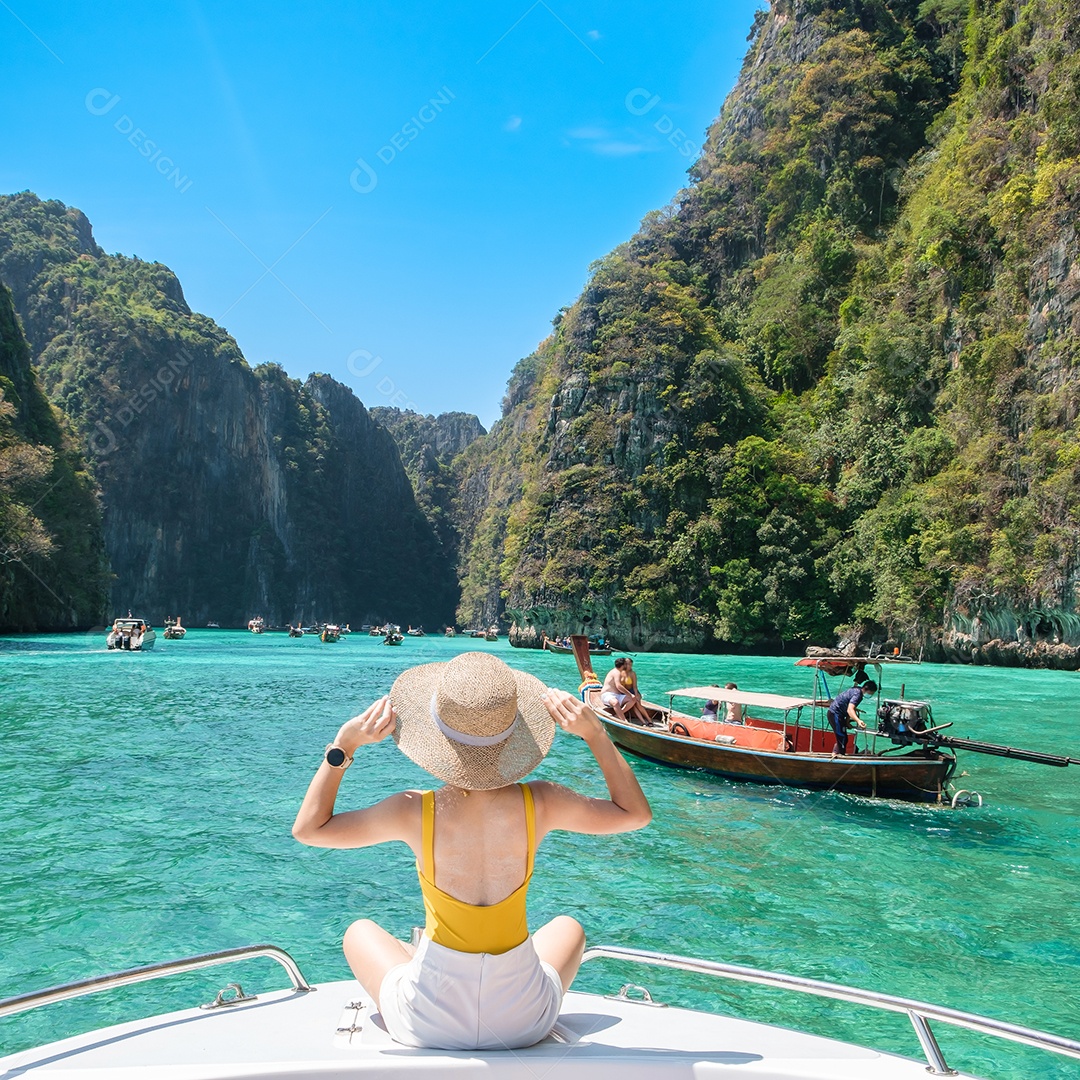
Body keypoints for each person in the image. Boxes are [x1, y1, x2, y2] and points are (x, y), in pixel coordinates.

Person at [292, 651, 651, 1052]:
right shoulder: (543, 803)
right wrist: (597, 735)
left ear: (434, 736)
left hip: (427, 1022)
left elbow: (310, 829)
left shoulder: (414, 811)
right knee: (569, 927)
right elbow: (634, 814)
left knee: (359, 932)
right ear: (515, 733)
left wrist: (345, 745)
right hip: (523, 1022)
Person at [826, 680, 877, 755]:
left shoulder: (856, 690)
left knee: (843, 738)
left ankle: (837, 754)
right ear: (867, 690)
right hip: (835, 714)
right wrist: (858, 721)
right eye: (871, 693)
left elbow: (849, 708)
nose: (870, 695)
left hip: (839, 714)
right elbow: (850, 709)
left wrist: (847, 722)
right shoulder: (858, 695)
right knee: (842, 737)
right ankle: (839, 756)